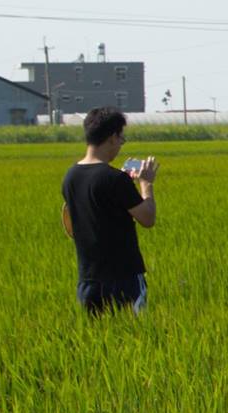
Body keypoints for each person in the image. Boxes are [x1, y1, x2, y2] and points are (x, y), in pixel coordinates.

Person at [60, 106, 157, 314]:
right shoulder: (115, 179)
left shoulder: (70, 177)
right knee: (135, 339)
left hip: (88, 282)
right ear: (112, 137)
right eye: (121, 139)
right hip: (123, 279)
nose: (120, 145)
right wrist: (146, 183)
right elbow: (147, 218)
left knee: (97, 342)